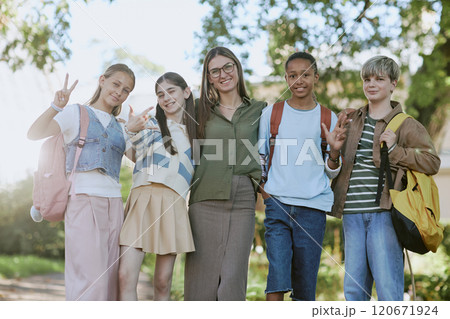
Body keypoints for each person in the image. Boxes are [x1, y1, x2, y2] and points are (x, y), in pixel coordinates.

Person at [331, 56, 440, 301]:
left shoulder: (406, 125)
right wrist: (334, 150)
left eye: (379, 79)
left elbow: (432, 161)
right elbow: (338, 166)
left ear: (393, 84)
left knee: (388, 291)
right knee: (353, 292)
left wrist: (394, 150)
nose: (371, 84)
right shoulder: (350, 120)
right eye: (367, 79)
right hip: (351, 215)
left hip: (385, 215)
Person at [27, 64, 136, 300]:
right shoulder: (75, 113)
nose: (119, 92)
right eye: (116, 84)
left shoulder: (121, 126)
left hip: (115, 205)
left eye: (126, 90)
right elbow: (35, 133)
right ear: (102, 80)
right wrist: (56, 106)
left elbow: (139, 159)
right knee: (89, 282)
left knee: (109, 283)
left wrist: (137, 132)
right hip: (82, 201)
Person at [258, 51, 347, 301]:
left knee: (305, 287)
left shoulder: (327, 117)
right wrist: (266, 191)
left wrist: (335, 152)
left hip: (312, 209)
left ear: (315, 77)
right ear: (286, 79)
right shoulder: (272, 113)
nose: (299, 80)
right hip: (278, 206)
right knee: (276, 280)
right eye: (293, 75)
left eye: (305, 74)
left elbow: (332, 169)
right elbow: (260, 156)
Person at [184, 46, 267, 301]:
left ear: (237, 68)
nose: (223, 74)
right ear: (208, 77)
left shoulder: (261, 110)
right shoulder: (197, 110)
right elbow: (172, 138)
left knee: (232, 281)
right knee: (201, 283)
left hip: (243, 201)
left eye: (228, 67)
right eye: (215, 71)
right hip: (205, 198)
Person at [118, 72, 196, 301]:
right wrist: (131, 131)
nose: (166, 98)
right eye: (160, 94)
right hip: (141, 197)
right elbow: (133, 152)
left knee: (163, 282)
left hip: (172, 203)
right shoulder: (150, 124)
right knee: (124, 275)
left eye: (171, 91)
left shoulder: (198, 133)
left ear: (186, 91)